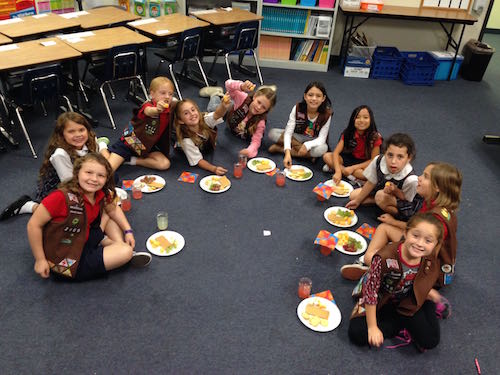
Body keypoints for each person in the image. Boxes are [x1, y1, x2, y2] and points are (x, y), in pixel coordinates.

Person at [342, 162, 462, 318]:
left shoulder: (436, 219)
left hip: (428, 270)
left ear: (438, 187)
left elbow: (428, 257)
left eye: (425, 177)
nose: (418, 178)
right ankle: (373, 263)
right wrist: (393, 222)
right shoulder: (439, 207)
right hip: (430, 258)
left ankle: (374, 265)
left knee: (382, 241)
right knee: (385, 228)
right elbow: (416, 228)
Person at [27, 153, 151, 281]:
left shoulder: (100, 192)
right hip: (67, 257)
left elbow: (113, 209)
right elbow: (33, 225)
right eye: (88, 172)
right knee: (125, 251)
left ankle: (115, 245)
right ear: (77, 173)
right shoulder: (60, 197)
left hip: (84, 235)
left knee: (108, 211)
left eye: (101, 175)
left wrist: (128, 231)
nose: (94, 179)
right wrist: (40, 260)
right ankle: (121, 252)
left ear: (106, 178)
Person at [348, 213, 444, 351]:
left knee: (430, 340)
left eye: (428, 241)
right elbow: (370, 292)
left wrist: (426, 292)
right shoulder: (384, 258)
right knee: (358, 333)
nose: (420, 244)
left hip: (408, 299)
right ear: (405, 232)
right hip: (380, 298)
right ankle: (402, 322)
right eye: (415, 236)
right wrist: (373, 327)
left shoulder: (429, 258)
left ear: (436, 244)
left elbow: (425, 278)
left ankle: (422, 307)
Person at [0, 112, 102, 221]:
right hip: (61, 187)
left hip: (83, 181)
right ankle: (29, 206)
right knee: (71, 214)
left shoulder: (92, 141)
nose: (78, 135)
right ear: (62, 135)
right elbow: (69, 184)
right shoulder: (60, 154)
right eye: (71, 132)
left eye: (81, 130)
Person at [100, 76, 175, 172]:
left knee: (164, 164)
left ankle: (129, 160)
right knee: (108, 169)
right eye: (163, 93)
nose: (167, 97)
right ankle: (102, 146)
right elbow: (149, 111)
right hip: (131, 141)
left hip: (147, 146)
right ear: (152, 94)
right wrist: (157, 110)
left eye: (170, 94)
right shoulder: (147, 106)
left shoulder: (169, 108)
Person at [345, 133, 418, 218]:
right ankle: (377, 201)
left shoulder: (411, 179)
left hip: (401, 201)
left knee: (380, 196)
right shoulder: (379, 160)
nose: (393, 161)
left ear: (409, 158)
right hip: (382, 191)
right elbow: (371, 181)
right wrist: (357, 201)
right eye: (390, 155)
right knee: (353, 196)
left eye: (400, 157)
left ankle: (394, 214)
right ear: (385, 152)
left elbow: (407, 199)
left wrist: (395, 191)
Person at [267, 81, 332, 168]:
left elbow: (322, 139)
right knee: (272, 133)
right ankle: (308, 156)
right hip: (296, 136)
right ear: (305, 96)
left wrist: (307, 145)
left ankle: (279, 149)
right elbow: (288, 132)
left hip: (313, 140)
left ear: (323, 98)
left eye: (318, 96)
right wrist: (287, 153)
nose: (314, 99)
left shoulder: (327, 114)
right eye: (310, 95)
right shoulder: (298, 108)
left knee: (323, 148)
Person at [205, 80, 277, 158]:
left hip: (234, 119)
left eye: (263, 107)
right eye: (259, 102)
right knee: (213, 111)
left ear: (266, 110)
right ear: (255, 96)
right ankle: (216, 94)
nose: (259, 107)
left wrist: (249, 151)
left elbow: (256, 142)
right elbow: (228, 84)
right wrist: (241, 86)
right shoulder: (243, 98)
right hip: (233, 108)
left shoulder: (260, 122)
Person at [322, 105, 382, 184]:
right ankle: (351, 176)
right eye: (358, 117)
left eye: (365, 117)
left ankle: (337, 169)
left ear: (371, 120)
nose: (361, 120)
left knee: (366, 175)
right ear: (353, 120)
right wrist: (338, 171)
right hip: (348, 158)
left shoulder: (375, 137)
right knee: (327, 156)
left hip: (363, 163)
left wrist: (353, 168)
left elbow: (373, 160)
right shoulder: (348, 132)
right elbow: (336, 152)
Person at [174, 98, 232, 175]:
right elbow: (198, 160)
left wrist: (223, 106)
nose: (192, 114)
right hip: (185, 148)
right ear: (180, 120)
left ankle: (214, 95)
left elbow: (217, 115)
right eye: (186, 113)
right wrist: (214, 169)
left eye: (193, 110)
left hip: (205, 145)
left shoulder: (205, 119)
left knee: (214, 107)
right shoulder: (186, 140)